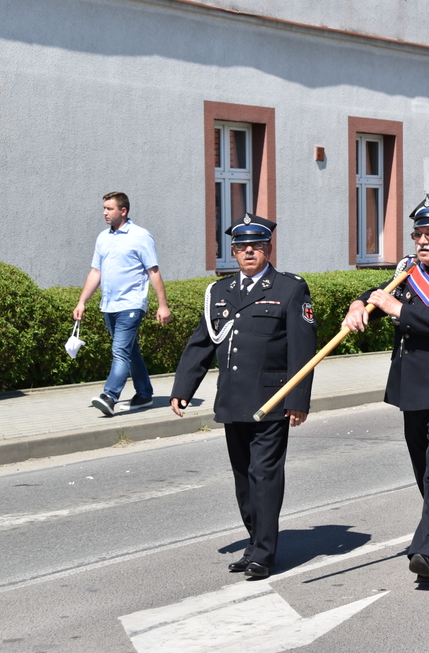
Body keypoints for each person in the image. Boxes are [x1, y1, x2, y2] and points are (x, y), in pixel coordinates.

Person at [343, 197, 429, 584]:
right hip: (412, 388)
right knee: (425, 473)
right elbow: (378, 291)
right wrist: (359, 304)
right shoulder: (408, 271)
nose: (422, 241)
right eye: (417, 234)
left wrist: (397, 309)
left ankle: (427, 549)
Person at [170, 214, 316, 579]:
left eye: (256, 246)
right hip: (233, 401)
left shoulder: (289, 289)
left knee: (264, 475)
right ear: (233, 253)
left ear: (268, 249)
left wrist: (297, 399)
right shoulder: (219, 293)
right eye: (241, 247)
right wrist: (183, 389)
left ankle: (263, 554)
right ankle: (254, 541)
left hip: (271, 401)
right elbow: (201, 344)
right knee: (243, 478)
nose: (249, 252)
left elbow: (303, 350)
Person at [74, 192, 172, 417]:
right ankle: (145, 394)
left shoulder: (140, 236)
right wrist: (82, 302)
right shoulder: (103, 238)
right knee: (130, 351)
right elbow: (95, 271)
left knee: (119, 352)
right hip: (109, 305)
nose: (104, 213)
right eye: (104, 208)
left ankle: (109, 396)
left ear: (123, 211)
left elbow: (153, 271)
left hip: (131, 305)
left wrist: (162, 305)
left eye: (109, 209)